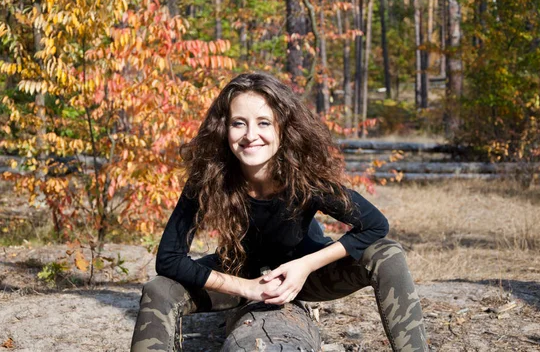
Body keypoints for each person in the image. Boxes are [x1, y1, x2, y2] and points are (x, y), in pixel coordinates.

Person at [130, 73, 428, 352]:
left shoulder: (306, 178)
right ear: (224, 128)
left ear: (282, 128)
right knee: (159, 289)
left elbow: (375, 225)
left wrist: (305, 267)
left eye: (263, 123)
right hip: (236, 275)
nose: (250, 135)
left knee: (388, 254)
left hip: (306, 277)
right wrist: (246, 287)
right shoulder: (209, 178)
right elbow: (168, 258)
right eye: (238, 123)